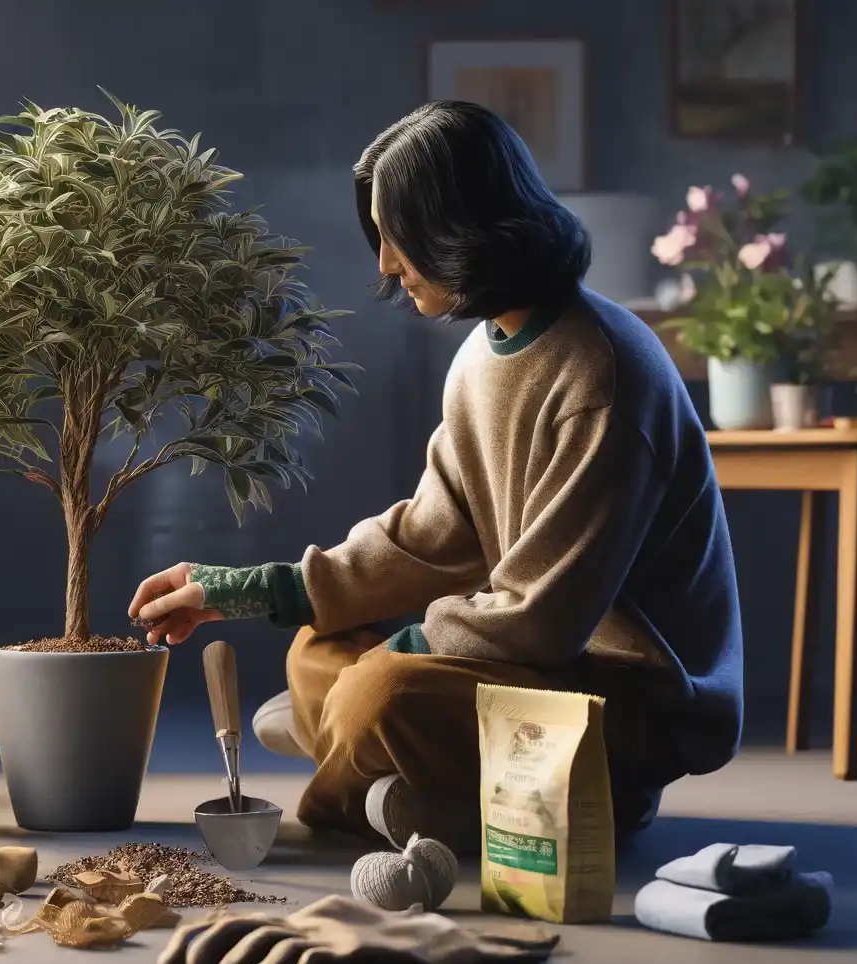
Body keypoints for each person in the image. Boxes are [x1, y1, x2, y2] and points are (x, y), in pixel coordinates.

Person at [128, 101, 743, 856]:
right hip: (526, 661)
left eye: (397, 237)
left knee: (378, 689)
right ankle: (413, 786)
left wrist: (389, 667)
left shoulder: (602, 373)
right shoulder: (483, 357)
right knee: (320, 647)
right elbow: (432, 539)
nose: (385, 263)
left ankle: (359, 789)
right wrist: (250, 588)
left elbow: (543, 618)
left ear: (462, 227)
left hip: (624, 698)